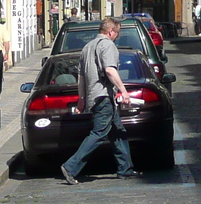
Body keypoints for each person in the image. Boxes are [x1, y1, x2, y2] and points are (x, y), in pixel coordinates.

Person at [60, 18, 141, 184]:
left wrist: (82, 98)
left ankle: (125, 169)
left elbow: (81, 77)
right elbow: (110, 70)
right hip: (103, 96)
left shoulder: (87, 47)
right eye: (117, 33)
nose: (116, 37)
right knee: (98, 133)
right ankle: (70, 167)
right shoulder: (108, 45)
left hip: (94, 97)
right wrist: (124, 91)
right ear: (111, 31)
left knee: (118, 131)